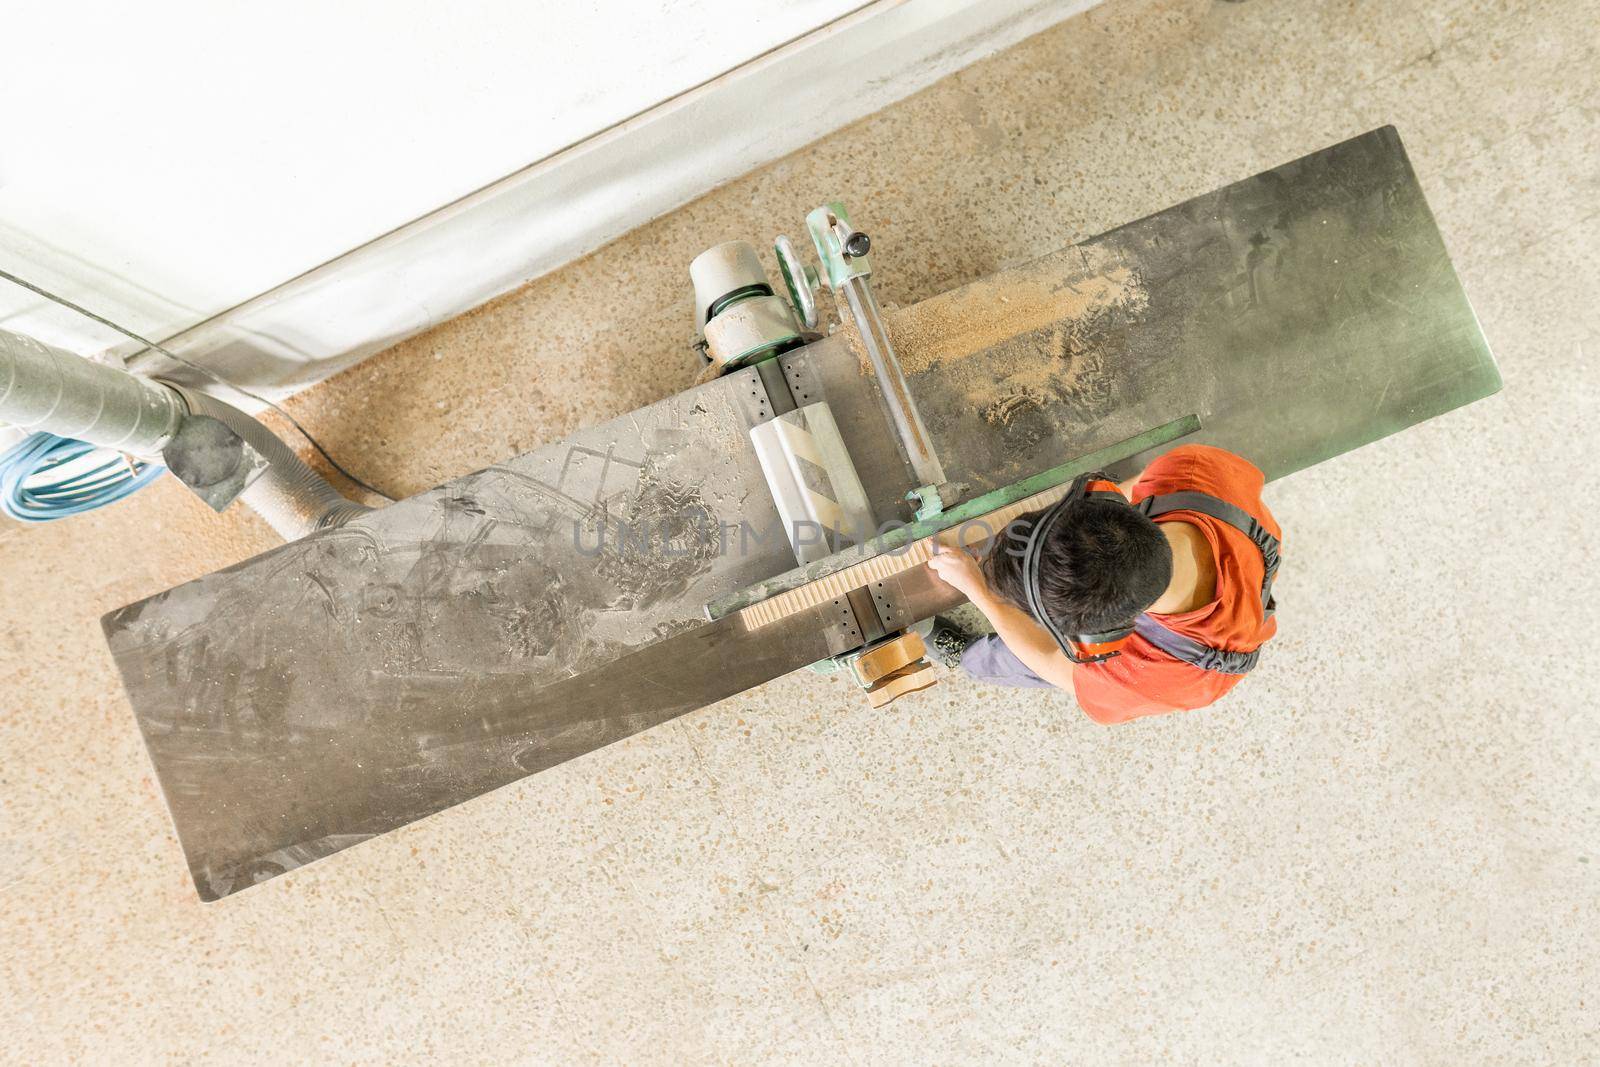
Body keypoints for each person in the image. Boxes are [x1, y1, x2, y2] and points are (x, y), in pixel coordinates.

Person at [924, 443, 1281, 725]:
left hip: (1200, 657)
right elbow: (1134, 487)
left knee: (1016, 660)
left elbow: (1053, 663)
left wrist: (981, 593)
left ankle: (969, 659)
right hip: (1244, 577)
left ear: (1094, 642)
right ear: (1101, 498)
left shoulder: (1150, 673)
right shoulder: (1192, 472)